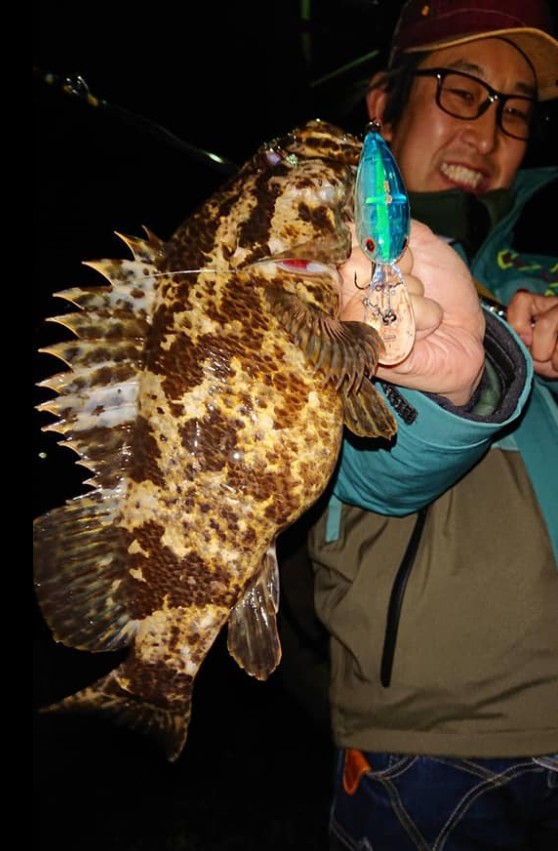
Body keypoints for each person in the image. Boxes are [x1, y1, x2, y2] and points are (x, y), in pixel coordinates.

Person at [277, 0, 558, 848]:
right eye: (462, 92)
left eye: (515, 110)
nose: (489, 131)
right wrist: (461, 379)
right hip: (434, 748)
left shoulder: (544, 255)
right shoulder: (308, 264)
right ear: (382, 104)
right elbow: (367, 469)